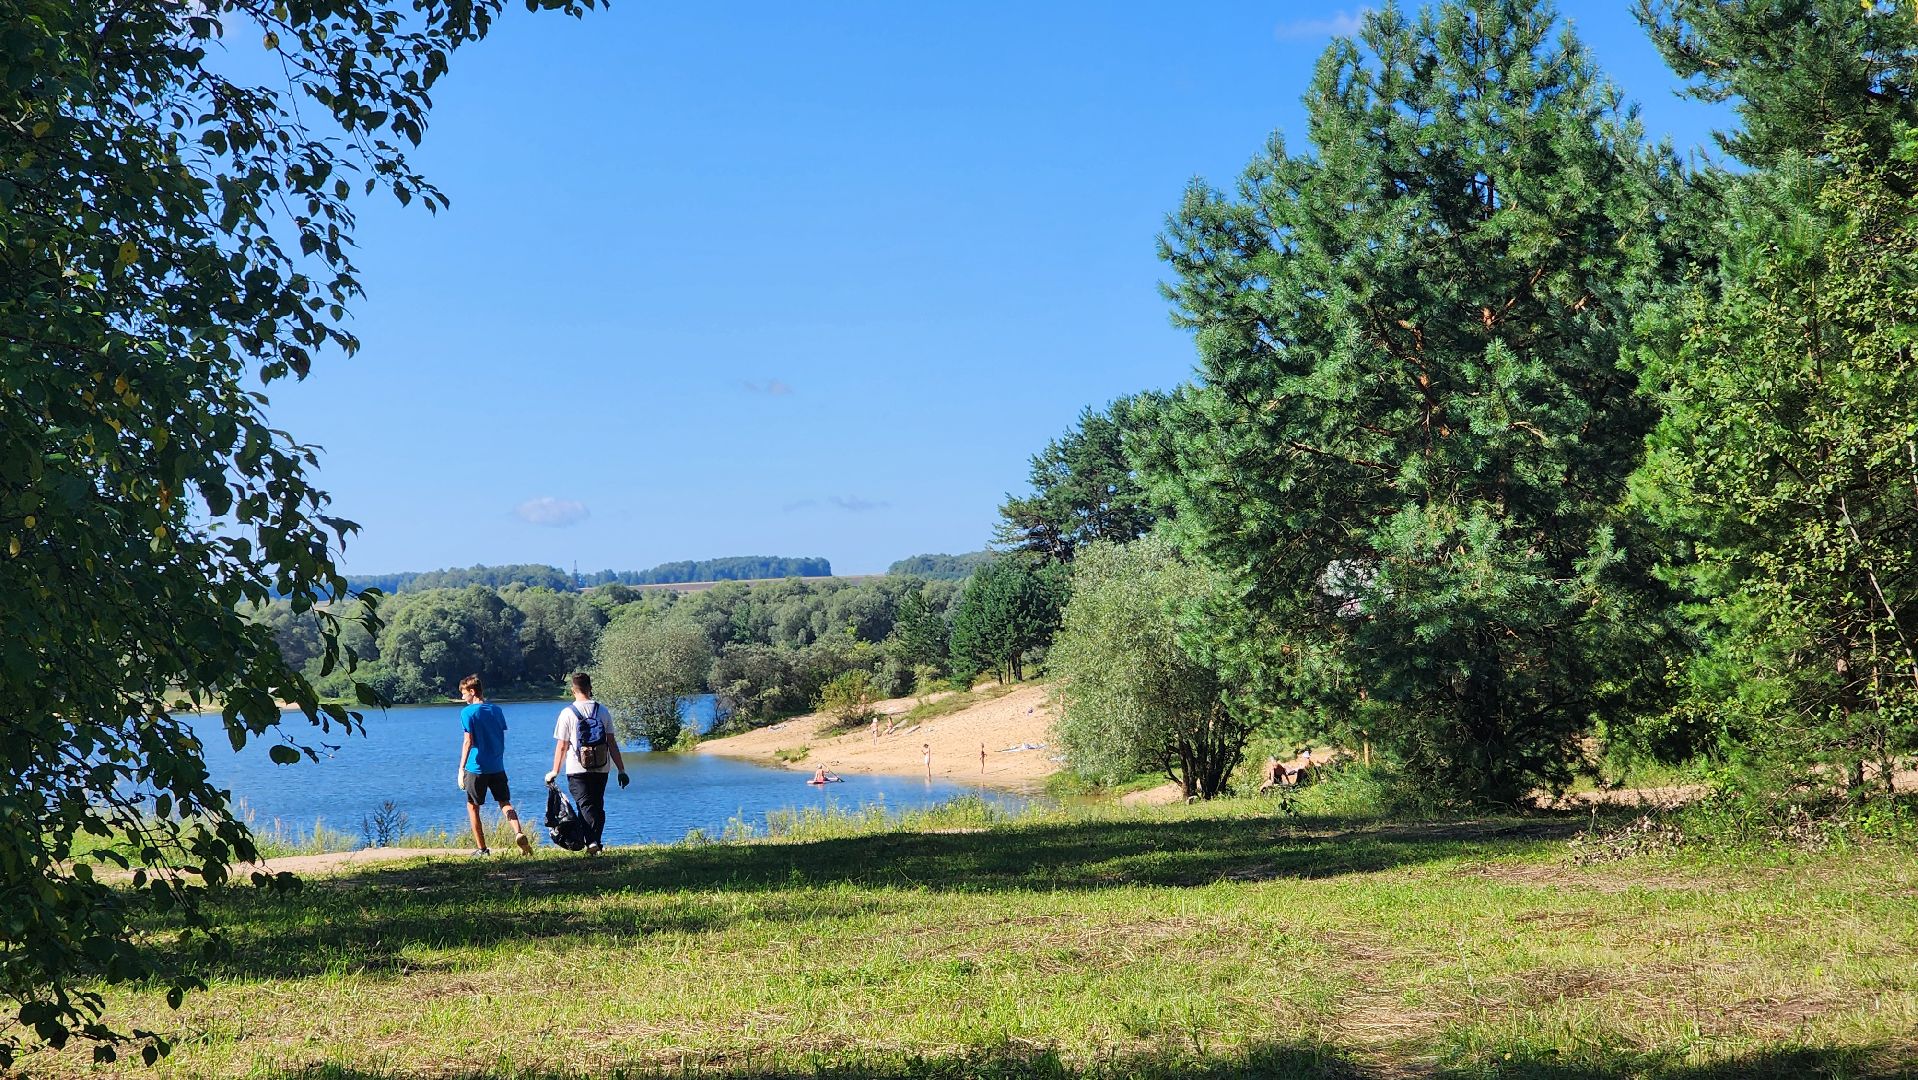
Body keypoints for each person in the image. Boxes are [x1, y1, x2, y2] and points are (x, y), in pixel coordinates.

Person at [545, 672, 628, 854]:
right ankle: (595, 843)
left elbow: (562, 746)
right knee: (597, 805)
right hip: (602, 766)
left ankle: (591, 842)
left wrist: (554, 771)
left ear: (572, 690)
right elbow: (612, 743)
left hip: (577, 769)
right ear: (590, 688)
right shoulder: (603, 711)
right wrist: (621, 770)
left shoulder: (567, 713)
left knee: (584, 805)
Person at [455, 674, 532, 856]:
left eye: (464, 693)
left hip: (476, 767)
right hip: (497, 766)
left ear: (472, 691)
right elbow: (499, 735)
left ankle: (482, 849)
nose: (462, 698)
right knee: (504, 802)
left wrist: (461, 769)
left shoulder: (467, 712)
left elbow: (468, 741)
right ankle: (518, 832)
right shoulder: (496, 710)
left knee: (473, 807)